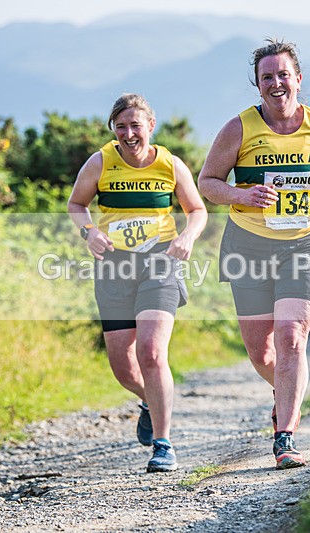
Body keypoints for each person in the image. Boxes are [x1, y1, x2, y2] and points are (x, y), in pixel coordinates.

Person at [198, 39, 310, 469]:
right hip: (249, 244)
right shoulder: (238, 129)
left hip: (307, 242)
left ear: (299, 79)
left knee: (291, 336)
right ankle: (284, 390)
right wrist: (242, 194)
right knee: (262, 353)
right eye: (267, 77)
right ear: (258, 85)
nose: (276, 83)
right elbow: (208, 182)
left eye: (283, 75)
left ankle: (285, 437)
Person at [68, 93, 207, 473]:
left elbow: (197, 210)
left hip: (160, 262)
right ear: (113, 129)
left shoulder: (170, 164)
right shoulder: (100, 162)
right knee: (124, 367)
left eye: (135, 125)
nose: (129, 134)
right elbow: (76, 205)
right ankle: (152, 399)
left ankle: (163, 444)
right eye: (121, 127)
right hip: (114, 266)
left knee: (151, 351)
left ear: (151, 126)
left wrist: (187, 237)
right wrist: (89, 232)